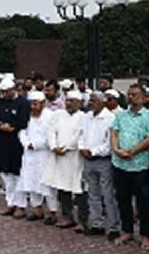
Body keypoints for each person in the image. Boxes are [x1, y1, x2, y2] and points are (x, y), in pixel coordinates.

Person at [110, 84, 149, 249]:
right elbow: (114, 132)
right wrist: (116, 149)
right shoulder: (121, 115)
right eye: (129, 94)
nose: (131, 97)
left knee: (143, 202)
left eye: (135, 95)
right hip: (120, 164)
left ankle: (145, 236)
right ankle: (127, 231)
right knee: (123, 199)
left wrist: (132, 151)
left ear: (144, 97)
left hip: (140, 165)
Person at [41, 91, 85, 229]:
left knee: (79, 188)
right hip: (59, 156)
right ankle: (67, 217)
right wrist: (54, 146)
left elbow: (80, 135)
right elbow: (50, 131)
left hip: (76, 156)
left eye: (73, 101)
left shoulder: (84, 117)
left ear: (80, 103)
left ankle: (82, 220)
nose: (69, 103)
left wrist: (67, 147)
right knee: (62, 187)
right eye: (68, 100)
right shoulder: (58, 115)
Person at [79, 91, 119, 239]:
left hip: (103, 161)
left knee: (108, 195)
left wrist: (93, 151)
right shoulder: (87, 116)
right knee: (93, 194)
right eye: (90, 100)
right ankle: (97, 224)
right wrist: (82, 148)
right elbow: (81, 135)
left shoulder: (110, 118)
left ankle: (114, 227)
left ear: (103, 102)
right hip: (88, 160)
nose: (91, 103)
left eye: (94, 100)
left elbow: (110, 143)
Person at [0, 79, 30, 216]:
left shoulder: (23, 103)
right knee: (6, 174)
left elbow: (24, 121)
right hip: (2, 141)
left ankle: (21, 205)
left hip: (16, 142)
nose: (5, 94)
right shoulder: (0, 102)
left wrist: (12, 126)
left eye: (7, 91)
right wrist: (0, 126)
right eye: (3, 92)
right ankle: (10, 203)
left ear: (14, 89)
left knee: (18, 174)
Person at [17, 91, 52, 221]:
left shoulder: (50, 116)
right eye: (31, 104)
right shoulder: (27, 115)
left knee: (46, 184)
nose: (32, 107)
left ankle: (52, 212)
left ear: (43, 104)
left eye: (35, 104)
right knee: (30, 181)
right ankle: (37, 210)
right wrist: (27, 143)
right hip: (29, 153)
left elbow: (50, 136)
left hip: (44, 154)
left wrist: (37, 145)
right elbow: (22, 131)